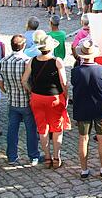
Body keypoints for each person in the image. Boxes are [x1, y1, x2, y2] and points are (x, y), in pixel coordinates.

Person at [22, 35, 69, 169]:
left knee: (42, 130)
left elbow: (24, 80)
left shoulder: (32, 61)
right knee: (57, 129)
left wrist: (31, 91)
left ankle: (47, 157)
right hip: (54, 98)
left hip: (37, 97)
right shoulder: (57, 61)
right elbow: (63, 82)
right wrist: (66, 96)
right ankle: (56, 157)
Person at [0, 34, 41, 165]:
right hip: (26, 101)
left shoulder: (3, 62)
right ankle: (33, 156)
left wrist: (6, 91)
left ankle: (12, 156)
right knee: (30, 130)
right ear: (23, 46)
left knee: (12, 130)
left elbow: (0, 82)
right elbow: (30, 81)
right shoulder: (27, 61)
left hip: (12, 101)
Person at [71, 41, 102, 179]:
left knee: (83, 138)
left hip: (82, 107)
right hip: (100, 107)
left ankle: (84, 170)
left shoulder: (76, 71)